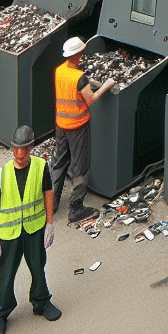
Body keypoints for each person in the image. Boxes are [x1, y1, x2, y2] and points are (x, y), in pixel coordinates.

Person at [0, 125, 60, 334]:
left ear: (31, 148)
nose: (20, 155)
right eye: (16, 150)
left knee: (38, 267)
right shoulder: (1, 175)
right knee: (6, 274)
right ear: (12, 148)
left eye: (24, 150)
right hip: (9, 233)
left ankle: (41, 301)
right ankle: (1, 313)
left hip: (34, 229)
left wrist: (50, 224)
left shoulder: (40, 167)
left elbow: (48, 194)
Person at [51, 37, 114, 224]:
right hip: (77, 127)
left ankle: (52, 202)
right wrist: (106, 85)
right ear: (78, 54)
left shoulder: (59, 71)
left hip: (61, 124)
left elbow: (73, 88)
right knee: (80, 168)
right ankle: (76, 209)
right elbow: (91, 100)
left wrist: (89, 82)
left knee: (59, 163)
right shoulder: (79, 78)